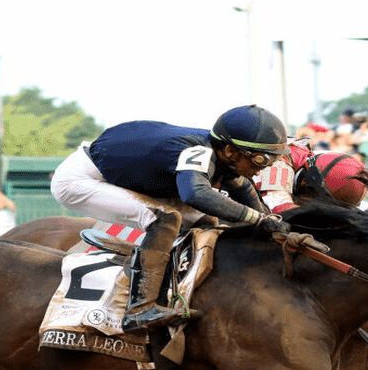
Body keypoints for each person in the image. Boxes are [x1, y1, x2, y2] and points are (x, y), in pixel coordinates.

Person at [50, 104, 290, 333]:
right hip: (82, 179)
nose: (264, 167)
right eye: (261, 159)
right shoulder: (200, 152)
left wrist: (273, 224)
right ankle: (139, 309)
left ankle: (179, 289)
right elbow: (194, 193)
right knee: (165, 219)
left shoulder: (221, 155)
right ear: (230, 151)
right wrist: (256, 218)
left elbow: (244, 191)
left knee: (207, 222)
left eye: (271, 160)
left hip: (113, 168)